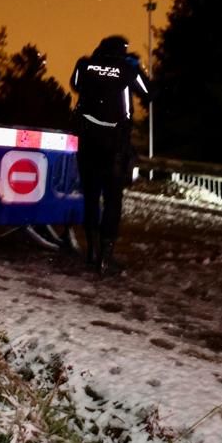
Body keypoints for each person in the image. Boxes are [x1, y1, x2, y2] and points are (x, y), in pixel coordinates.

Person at [70, 35, 151, 274]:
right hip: (115, 144)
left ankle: (92, 250)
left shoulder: (84, 65)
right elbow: (149, 93)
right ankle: (106, 256)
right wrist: (137, 67)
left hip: (87, 141)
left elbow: (75, 84)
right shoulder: (127, 69)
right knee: (113, 199)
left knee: (91, 196)